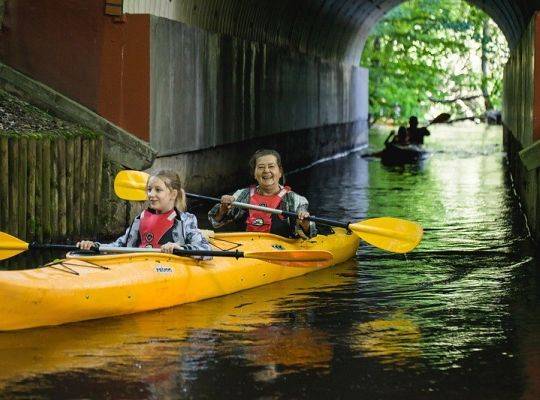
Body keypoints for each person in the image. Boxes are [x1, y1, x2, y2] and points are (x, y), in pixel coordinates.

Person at [78, 170, 211, 255]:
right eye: (149, 189)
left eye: (158, 190)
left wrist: (179, 248)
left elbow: (205, 249)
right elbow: (119, 246)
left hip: (168, 271)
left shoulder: (185, 220)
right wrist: (94, 246)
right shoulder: (140, 219)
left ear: (173, 194)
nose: (151, 194)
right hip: (140, 269)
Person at [208, 149, 317, 238]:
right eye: (260, 167)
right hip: (246, 249)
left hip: (282, 251)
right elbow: (215, 221)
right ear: (254, 174)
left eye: (271, 166)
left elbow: (311, 232)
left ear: (280, 172)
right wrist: (223, 208)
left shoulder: (296, 199)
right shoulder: (241, 195)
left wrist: (305, 223)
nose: (266, 170)